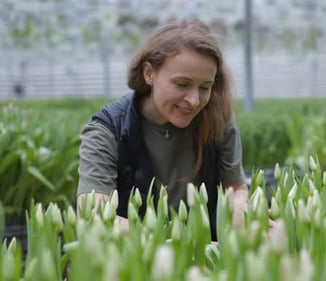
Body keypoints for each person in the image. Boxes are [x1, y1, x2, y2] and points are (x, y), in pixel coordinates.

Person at [76, 19, 248, 241]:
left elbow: (234, 187)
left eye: (205, 87)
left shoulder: (217, 119)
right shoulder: (108, 130)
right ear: (149, 73)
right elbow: (93, 215)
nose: (194, 101)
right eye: (182, 84)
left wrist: (241, 212)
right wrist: (173, 240)